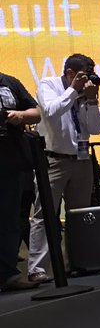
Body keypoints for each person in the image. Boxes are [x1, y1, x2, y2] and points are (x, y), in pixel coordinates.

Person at [26, 53, 100, 284]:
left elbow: (96, 128)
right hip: (54, 161)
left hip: (82, 160)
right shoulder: (49, 85)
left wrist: (92, 101)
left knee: (79, 215)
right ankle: (37, 269)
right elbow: (50, 111)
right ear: (70, 73)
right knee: (45, 215)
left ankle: (79, 262)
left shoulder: (85, 93)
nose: (88, 80)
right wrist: (72, 91)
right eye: (84, 75)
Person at [0, 69, 41, 290]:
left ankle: (9, 275)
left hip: (10, 159)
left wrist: (20, 116)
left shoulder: (10, 82)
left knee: (10, 220)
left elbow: (37, 112)